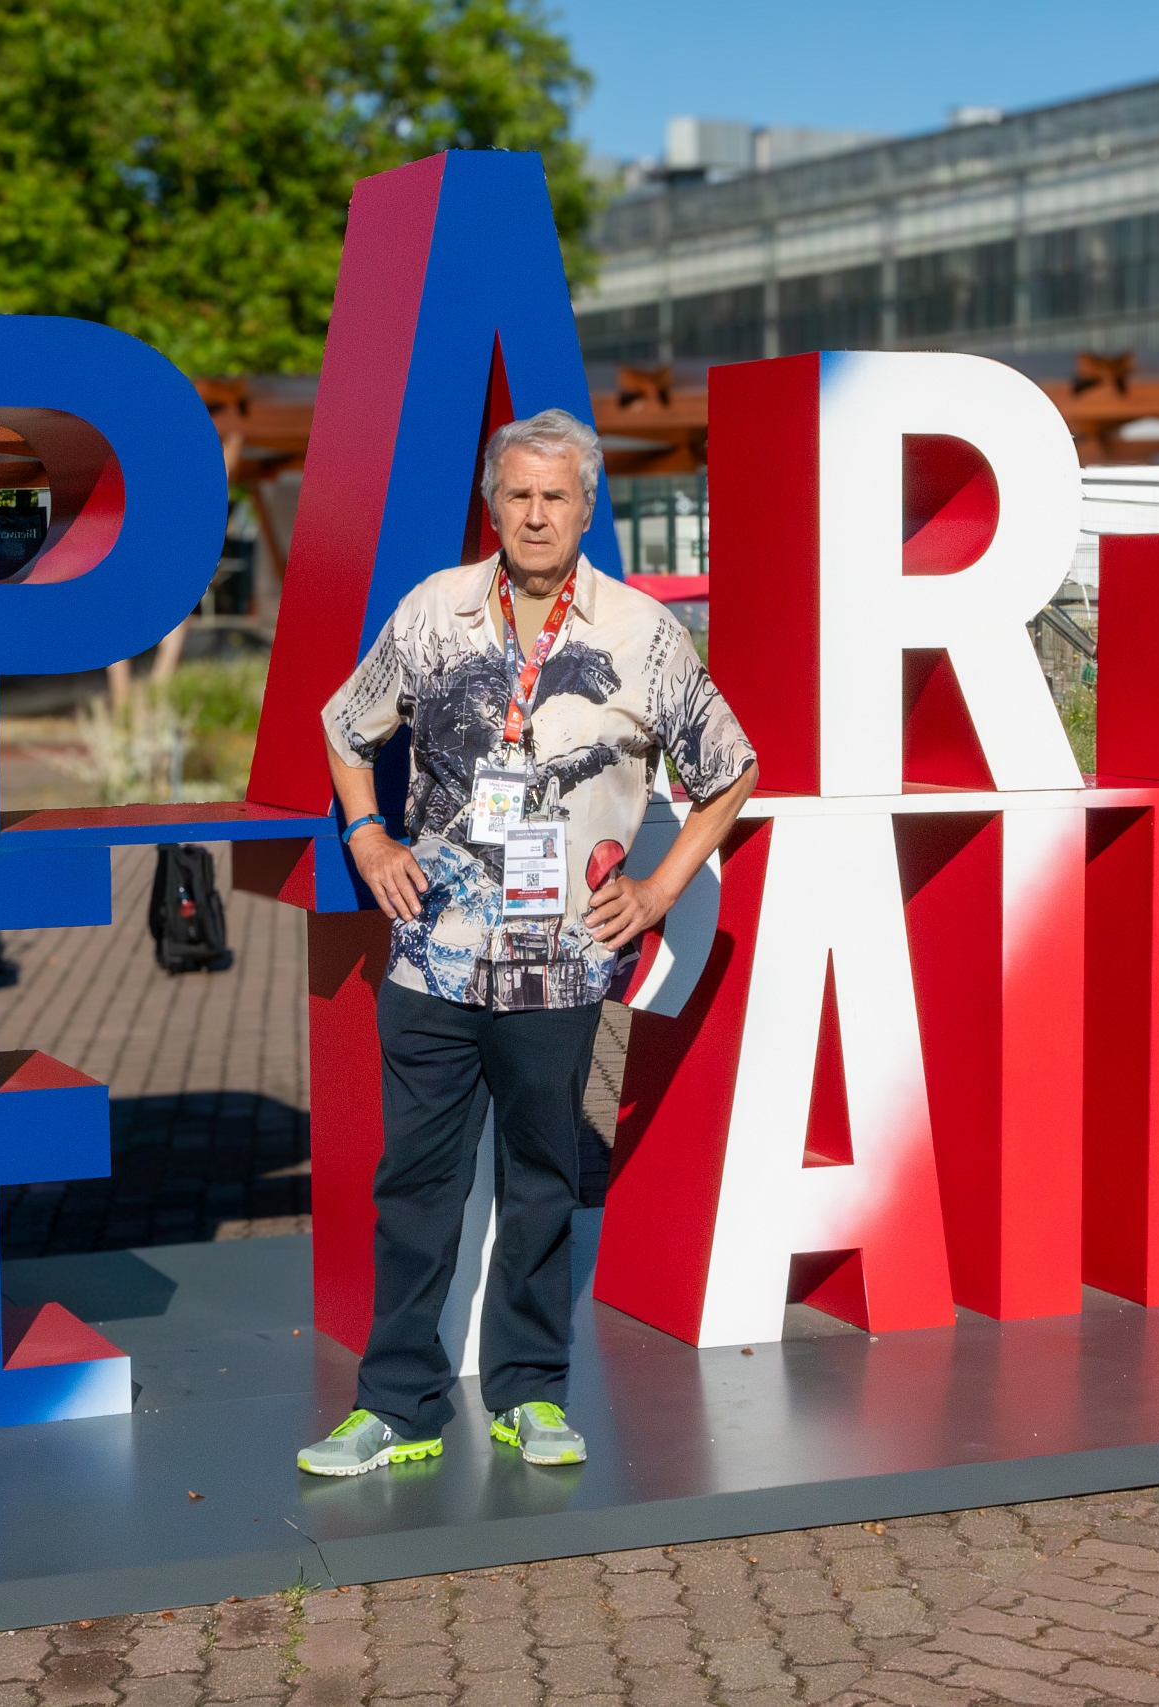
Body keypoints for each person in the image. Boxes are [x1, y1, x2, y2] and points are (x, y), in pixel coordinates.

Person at [296, 408, 757, 1477]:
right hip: (435, 950)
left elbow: (728, 764)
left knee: (543, 1180)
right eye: (518, 495)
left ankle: (530, 1397)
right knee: (415, 1185)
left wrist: (658, 888)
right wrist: (365, 833)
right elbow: (345, 720)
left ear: (587, 508)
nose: (536, 513)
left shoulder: (642, 634)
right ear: (493, 506)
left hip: (559, 963)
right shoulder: (436, 612)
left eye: (556, 495)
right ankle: (395, 1409)